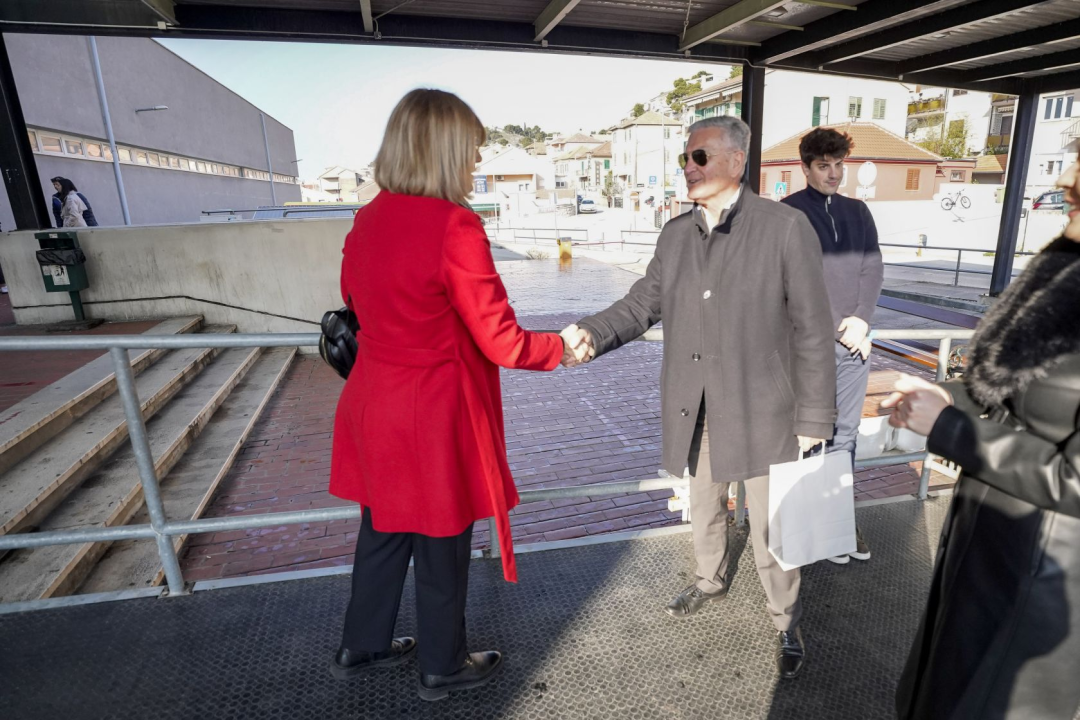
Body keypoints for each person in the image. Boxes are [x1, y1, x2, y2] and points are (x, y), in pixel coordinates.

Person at [561, 115, 837, 679]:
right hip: (698, 406)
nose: (689, 166)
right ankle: (710, 580)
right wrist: (591, 332)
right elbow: (642, 304)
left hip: (765, 411)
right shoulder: (675, 235)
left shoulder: (785, 228)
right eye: (686, 158)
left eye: (700, 157)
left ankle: (785, 619)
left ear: (736, 160)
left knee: (772, 525)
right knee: (705, 505)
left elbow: (813, 328)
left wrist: (815, 416)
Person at [327, 89, 571, 702]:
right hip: (429, 411)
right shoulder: (454, 226)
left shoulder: (367, 218)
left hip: (373, 401)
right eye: (471, 150)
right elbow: (502, 341)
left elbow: (356, 300)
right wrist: (565, 347)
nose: (476, 162)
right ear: (442, 151)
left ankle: (363, 644)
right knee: (442, 539)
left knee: (383, 529)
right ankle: (442, 663)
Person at [885, 148, 1080, 719]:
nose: (1066, 176)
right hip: (991, 543)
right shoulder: (1066, 267)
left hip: (1045, 575)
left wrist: (949, 428)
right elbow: (1013, 389)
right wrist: (949, 396)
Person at [782, 127, 883, 565]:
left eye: (839, 165)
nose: (834, 174)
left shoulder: (858, 212)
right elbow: (781, 284)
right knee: (806, 436)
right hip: (806, 349)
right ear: (805, 168)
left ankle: (839, 525)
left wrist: (862, 318)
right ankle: (807, 529)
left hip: (853, 346)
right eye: (824, 166)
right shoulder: (786, 214)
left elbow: (872, 268)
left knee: (846, 436)